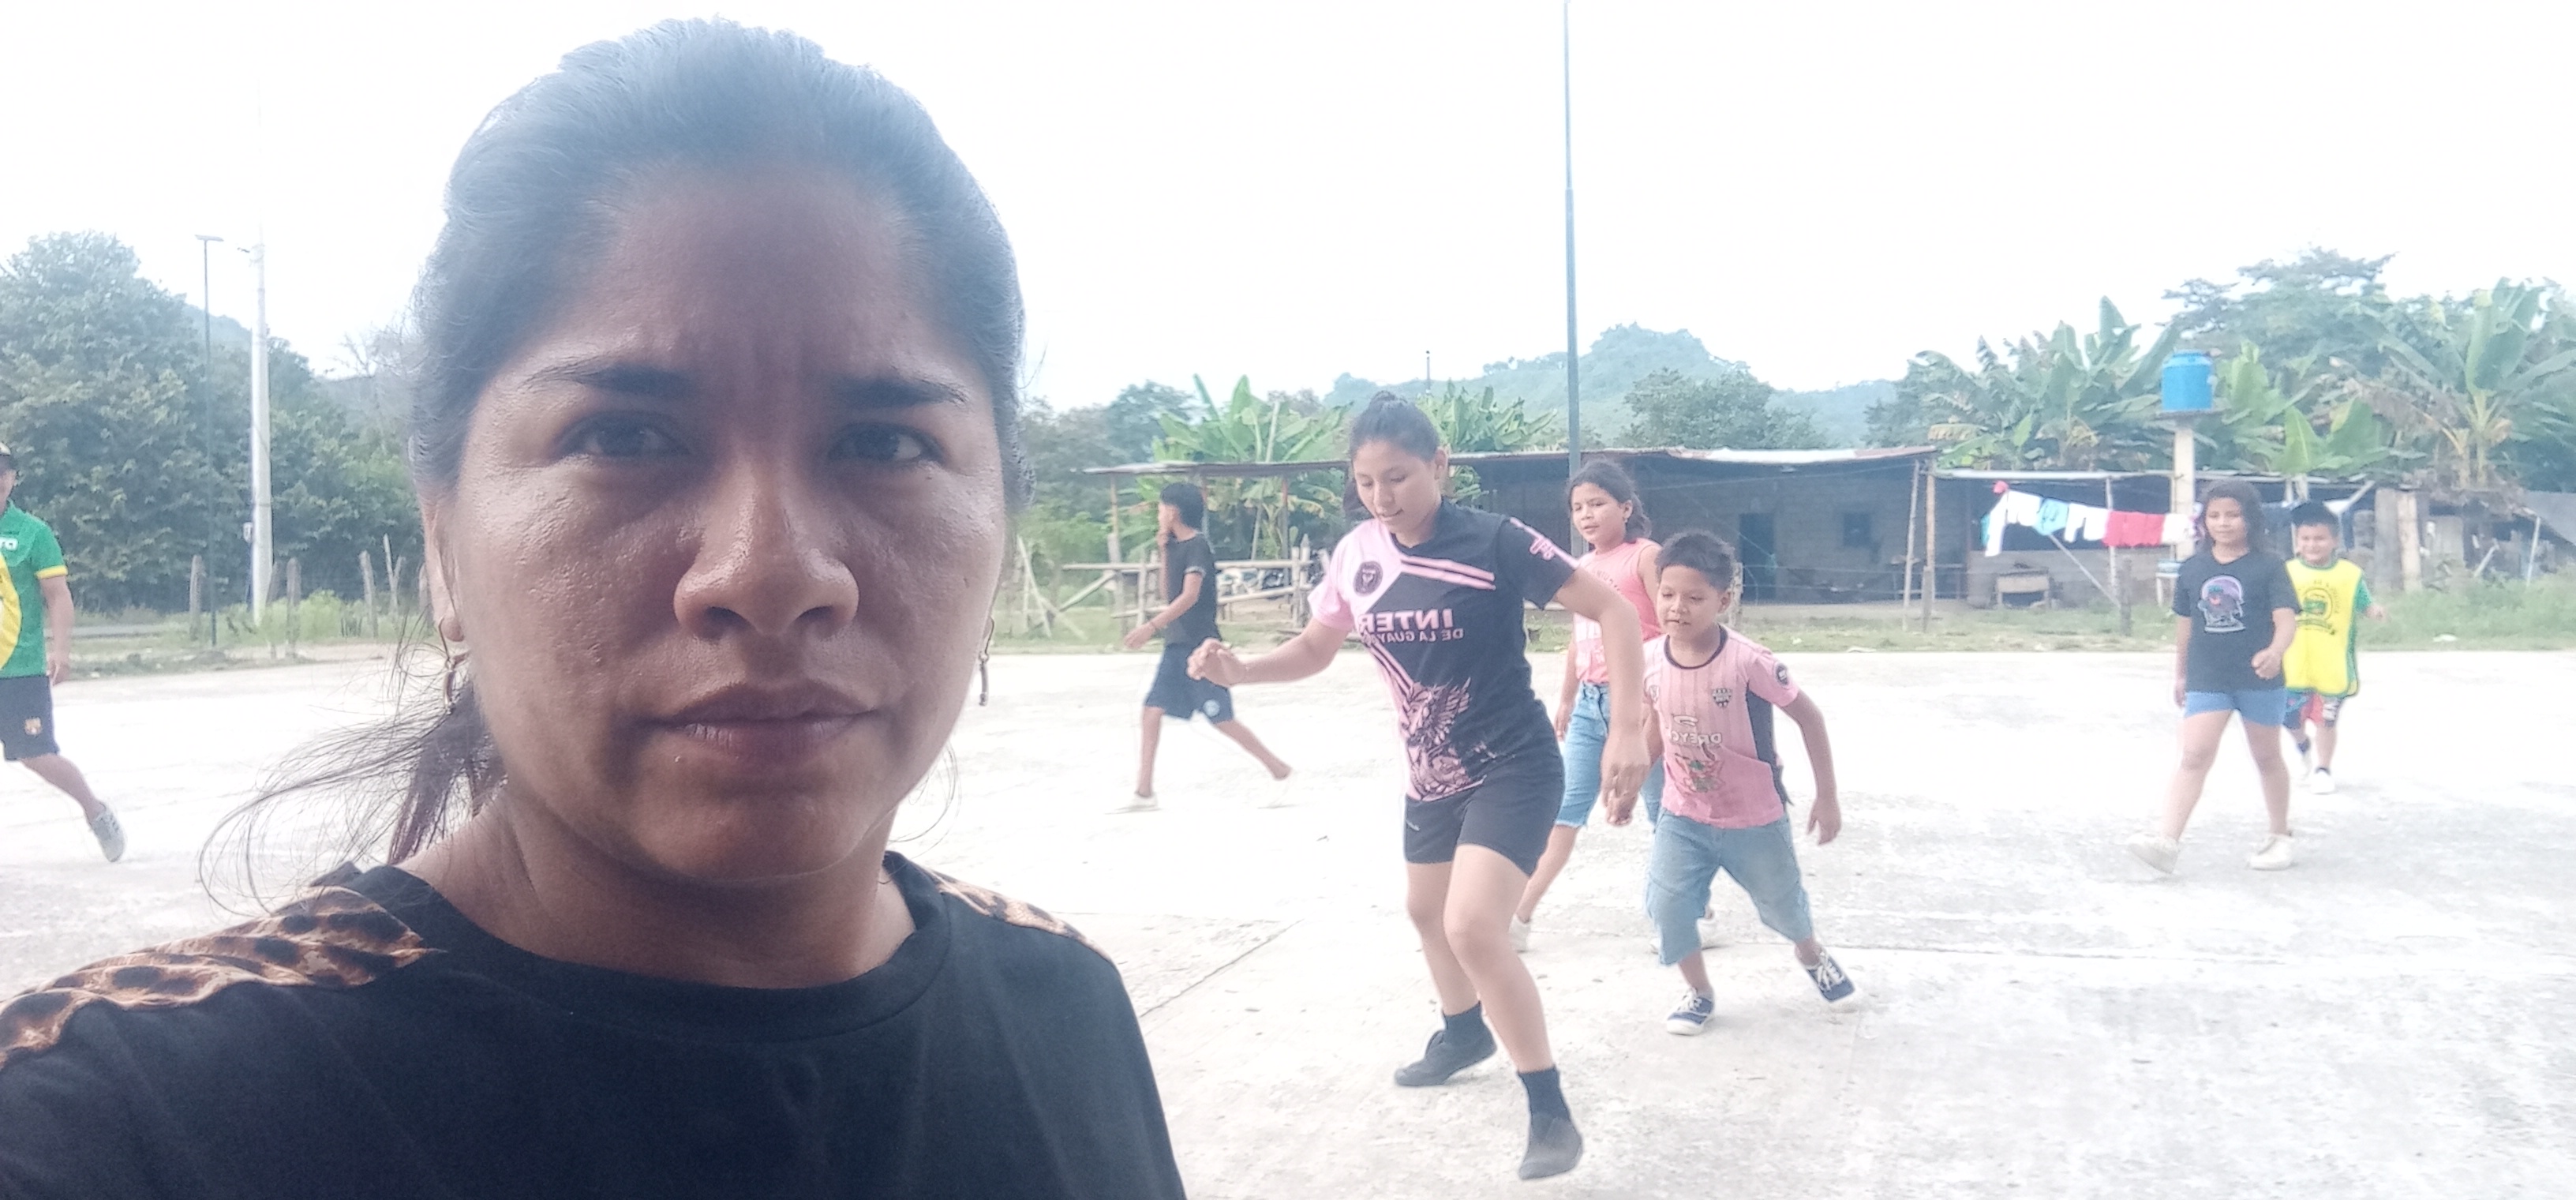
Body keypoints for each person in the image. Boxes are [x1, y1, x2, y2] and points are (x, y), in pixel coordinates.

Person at [0, 22, 1186, 1198]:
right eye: (623, 436)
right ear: (443, 542)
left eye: (884, 443)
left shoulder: (1066, 1012)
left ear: (1001, 516)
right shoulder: (117, 1125)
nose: (767, 574)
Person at [1192, 396, 1649, 1180]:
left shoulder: (1497, 540)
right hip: (1432, 773)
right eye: (1366, 482)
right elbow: (1316, 647)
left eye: (1398, 477)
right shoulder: (1357, 553)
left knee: (1473, 926)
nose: (1382, 497)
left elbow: (1613, 611)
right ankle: (1463, 1031)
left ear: (1439, 464)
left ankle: (1549, 1109)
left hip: (1514, 761)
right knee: (1425, 912)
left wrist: (1628, 728)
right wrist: (1244, 670)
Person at [1638, 532, 1853, 1036]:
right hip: (1683, 813)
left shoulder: (1749, 661)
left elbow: (1810, 718)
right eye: (1668, 594)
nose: (1677, 608)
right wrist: (1628, 779)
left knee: (1783, 904)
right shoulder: (1648, 660)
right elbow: (1655, 727)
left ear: (1723, 600)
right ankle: (1699, 992)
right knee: (1668, 907)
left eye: (1694, 598)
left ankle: (1811, 953)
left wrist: (1827, 796)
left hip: (1753, 816)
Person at [1511, 459, 1666, 952]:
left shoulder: (1645, 557)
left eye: (1598, 504)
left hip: (1642, 704)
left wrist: (1657, 702)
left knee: (1664, 813)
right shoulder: (1578, 569)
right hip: (1589, 706)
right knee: (1565, 810)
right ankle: (1518, 918)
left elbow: (1671, 627)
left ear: (1626, 507)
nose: (1587, 515)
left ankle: (1688, 913)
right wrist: (1566, 697)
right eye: (1578, 508)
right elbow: (1579, 640)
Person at [2129, 481, 2301, 875]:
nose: (2224, 523)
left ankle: (2280, 835)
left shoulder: (2269, 567)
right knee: (2194, 755)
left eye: (2233, 515)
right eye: (2215, 516)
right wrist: (2180, 674)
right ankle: (2167, 842)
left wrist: (2275, 652)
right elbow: (2185, 628)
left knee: (2266, 756)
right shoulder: (2193, 568)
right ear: (2204, 521)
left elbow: (2286, 620)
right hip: (2208, 677)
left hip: (2258, 677)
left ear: (2250, 519)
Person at [1120, 481, 1289, 808]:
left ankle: (1280, 771)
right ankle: (1144, 792)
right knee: (1151, 711)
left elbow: (1190, 596)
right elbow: (1168, 593)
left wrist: (1151, 627)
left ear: (1173, 511)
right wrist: (1163, 550)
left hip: (1200, 646)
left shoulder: (1199, 546)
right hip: (1177, 645)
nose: (1159, 514)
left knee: (1220, 717)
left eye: (1161, 507)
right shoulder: (1175, 548)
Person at [0, 443, 122, 862]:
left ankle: (96, 812)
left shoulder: (33, 533)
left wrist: (62, 651)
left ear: (13, 478)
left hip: (18, 668)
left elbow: (57, 595)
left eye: (3, 472)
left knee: (37, 755)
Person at [2281, 501, 2386, 796]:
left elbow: (2364, 603)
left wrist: (2375, 611)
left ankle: (2323, 769)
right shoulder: (2286, 573)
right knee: (2290, 718)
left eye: (2320, 539)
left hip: (2332, 665)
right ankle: (2303, 746)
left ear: (2335, 541)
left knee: (2327, 720)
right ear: (2297, 542)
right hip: (2292, 663)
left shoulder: (2349, 575)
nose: (2312, 545)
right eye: (2306, 539)